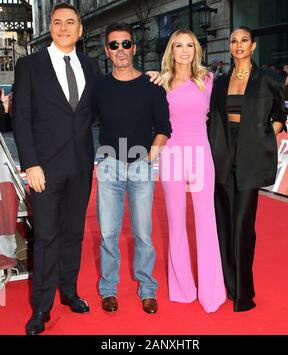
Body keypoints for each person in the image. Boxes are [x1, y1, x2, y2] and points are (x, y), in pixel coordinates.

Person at [12, 3, 102, 335]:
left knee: (73, 233)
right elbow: (20, 118)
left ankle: (69, 290)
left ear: (80, 30)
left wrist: (147, 82)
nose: (63, 27)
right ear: (51, 28)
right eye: (57, 22)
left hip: (81, 165)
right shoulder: (30, 65)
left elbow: (107, 103)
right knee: (46, 237)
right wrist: (30, 163)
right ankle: (41, 308)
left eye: (70, 23)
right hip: (44, 169)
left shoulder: (91, 66)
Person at [208, 26, 288, 312]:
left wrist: (266, 136)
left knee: (242, 224)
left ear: (253, 46)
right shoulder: (219, 81)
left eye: (244, 41)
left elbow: (281, 112)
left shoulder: (267, 78)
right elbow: (211, 118)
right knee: (225, 222)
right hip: (222, 153)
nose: (238, 45)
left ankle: (244, 293)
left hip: (251, 154)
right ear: (229, 47)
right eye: (234, 41)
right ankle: (230, 286)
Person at [93, 23, 171, 314]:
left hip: (141, 166)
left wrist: (151, 155)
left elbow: (164, 127)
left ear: (134, 48)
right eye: (114, 45)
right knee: (108, 233)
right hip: (109, 166)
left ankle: (147, 288)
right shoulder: (99, 86)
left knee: (143, 234)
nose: (121, 50)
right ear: (107, 51)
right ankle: (108, 289)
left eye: (126, 44)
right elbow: (80, 120)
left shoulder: (151, 85)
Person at [158, 29, 226, 312]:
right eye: (178, 45)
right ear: (171, 51)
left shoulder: (208, 80)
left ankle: (211, 292)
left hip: (200, 153)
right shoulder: (160, 82)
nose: (184, 50)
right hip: (170, 153)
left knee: (206, 221)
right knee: (175, 222)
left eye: (189, 45)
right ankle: (183, 288)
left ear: (196, 50)